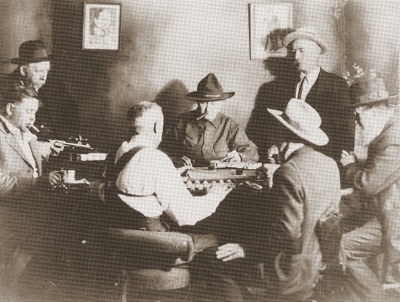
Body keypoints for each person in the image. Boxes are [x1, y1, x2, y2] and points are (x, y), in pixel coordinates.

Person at [198, 98, 342, 301]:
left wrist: (244, 248)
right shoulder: (330, 164)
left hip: (287, 274)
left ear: (283, 133)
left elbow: (286, 232)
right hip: (314, 268)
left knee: (211, 259)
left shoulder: (289, 171)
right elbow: (326, 222)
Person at [104, 100, 231, 244]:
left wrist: (172, 174)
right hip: (151, 241)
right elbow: (186, 216)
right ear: (157, 127)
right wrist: (215, 195)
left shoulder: (119, 150)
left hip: (125, 232)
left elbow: (135, 181)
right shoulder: (157, 159)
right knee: (214, 239)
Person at [0, 86, 64, 300]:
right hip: (9, 215)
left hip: (32, 210)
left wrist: (46, 150)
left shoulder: (23, 132)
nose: (33, 117)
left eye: (35, 112)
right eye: (28, 111)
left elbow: (26, 158)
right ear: (10, 108)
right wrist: (38, 183)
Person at [339, 84, 400, 301]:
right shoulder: (390, 129)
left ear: (371, 110)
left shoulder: (393, 140)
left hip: (394, 221)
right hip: (387, 212)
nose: (358, 125)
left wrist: (349, 167)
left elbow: (369, 184)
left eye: (358, 119)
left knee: (343, 247)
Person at [267, 27, 354, 164]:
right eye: (294, 51)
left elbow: (346, 129)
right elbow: (279, 122)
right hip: (290, 159)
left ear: (317, 51)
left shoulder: (337, 85)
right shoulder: (283, 85)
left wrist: (341, 163)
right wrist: (276, 143)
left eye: (302, 51)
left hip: (323, 158)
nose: (296, 57)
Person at [160, 73, 259, 167]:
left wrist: (240, 157)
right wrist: (175, 160)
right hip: (189, 175)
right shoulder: (182, 122)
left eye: (213, 104)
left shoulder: (229, 125)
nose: (208, 109)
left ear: (221, 103)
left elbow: (252, 152)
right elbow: (163, 151)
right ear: (197, 102)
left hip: (221, 179)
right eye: (204, 103)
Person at [7, 40, 79, 140]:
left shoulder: (53, 85)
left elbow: (72, 112)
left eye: (46, 71)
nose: (44, 77)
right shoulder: (6, 88)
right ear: (24, 70)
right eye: (40, 71)